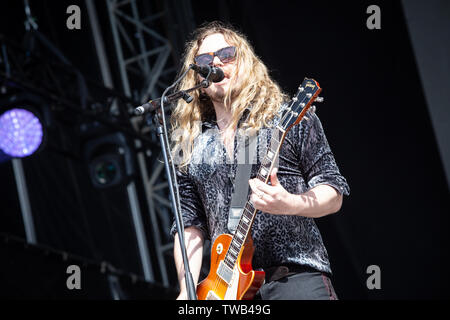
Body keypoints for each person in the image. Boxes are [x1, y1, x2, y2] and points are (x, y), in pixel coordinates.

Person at [170, 21, 350, 300]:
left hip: (295, 278)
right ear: (199, 81)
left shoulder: (286, 118)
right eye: (205, 60)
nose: (215, 62)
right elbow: (188, 226)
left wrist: (290, 203)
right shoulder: (191, 145)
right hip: (229, 290)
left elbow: (333, 191)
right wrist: (186, 289)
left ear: (245, 63)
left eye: (226, 54)